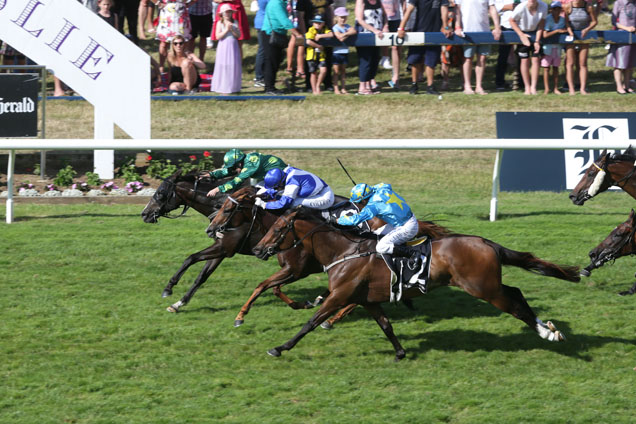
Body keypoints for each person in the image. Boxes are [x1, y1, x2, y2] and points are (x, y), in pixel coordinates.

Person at [337, 183, 420, 264]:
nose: (358, 204)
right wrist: (366, 191)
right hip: (406, 220)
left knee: (381, 247)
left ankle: (412, 254)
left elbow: (355, 220)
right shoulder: (382, 188)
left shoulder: (373, 206)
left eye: (358, 202)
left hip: (407, 227)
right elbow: (386, 184)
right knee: (375, 235)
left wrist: (339, 220)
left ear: (364, 200)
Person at [398, 0, 452, 95]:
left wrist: (446, 27)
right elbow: (409, 10)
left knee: (431, 60)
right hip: (418, 31)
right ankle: (414, 85)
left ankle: (430, 86)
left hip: (434, 32)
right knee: (415, 59)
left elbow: (444, 10)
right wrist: (401, 28)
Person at [455, 0, 502, 95]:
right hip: (467, 31)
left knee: (482, 58)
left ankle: (479, 86)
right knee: (468, 58)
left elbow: (492, 8)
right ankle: (467, 86)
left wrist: (497, 27)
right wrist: (457, 26)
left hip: (484, 31)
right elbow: (457, 10)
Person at [261, 0, 305, 95]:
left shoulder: (281, 3)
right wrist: (298, 34)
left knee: (275, 61)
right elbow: (284, 21)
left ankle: (270, 87)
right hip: (270, 35)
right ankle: (269, 88)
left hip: (277, 34)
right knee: (271, 62)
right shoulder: (276, 3)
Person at [205, 149, 287, 197]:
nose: (233, 169)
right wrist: (211, 175)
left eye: (233, 166)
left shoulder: (250, 164)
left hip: (284, 179)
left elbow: (236, 182)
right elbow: (229, 171)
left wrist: (218, 189)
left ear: (239, 164)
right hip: (271, 179)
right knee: (256, 194)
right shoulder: (244, 161)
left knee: (259, 197)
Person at [254, 166, 335, 211]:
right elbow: (278, 189)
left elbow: (284, 204)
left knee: (293, 203)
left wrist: (264, 205)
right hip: (317, 192)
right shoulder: (286, 171)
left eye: (276, 187)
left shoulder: (292, 184)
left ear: (280, 182)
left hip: (324, 197)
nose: (276, 189)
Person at [509, 0, 547, 95]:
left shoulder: (544, 6)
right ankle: (527, 87)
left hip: (536, 33)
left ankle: (533, 87)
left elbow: (541, 24)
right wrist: (521, 35)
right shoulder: (521, 7)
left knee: (535, 60)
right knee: (524, 60)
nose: (532, 1)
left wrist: (537, 40)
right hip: (523, 33)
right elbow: (512, 20)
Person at [564, 0, 597, 95]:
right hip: (572, 37)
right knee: (570, 63)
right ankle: (571, 89)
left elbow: (594, 21)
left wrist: (587, 29)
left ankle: (582, 88)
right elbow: (566, 22)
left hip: (584, 37)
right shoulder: (568, 6)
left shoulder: (588, 7)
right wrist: (570, 31)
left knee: (583, 63)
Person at [355, 0, 388, 95]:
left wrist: (385, 26)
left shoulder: (378, 1)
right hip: (365, 35)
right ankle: (362, 87)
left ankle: (369, 86)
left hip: (377, 37)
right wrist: (374, 30)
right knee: (366, 61)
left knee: (374, 60)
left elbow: (385, 15)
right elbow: (360, 20)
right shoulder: (361, 1)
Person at [211, 3, 243, 94]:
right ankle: (223, 87)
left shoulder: (235, 22)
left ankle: (233, 87)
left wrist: (232, 29)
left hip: (233, 45)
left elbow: (238, 35)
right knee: (224, 65)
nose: (228, 14)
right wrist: (226, 30)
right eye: (226, 12)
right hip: (224, 46)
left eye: (229, 12)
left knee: (233, 64)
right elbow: (217, 36)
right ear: (222, 14)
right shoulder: (219, 23)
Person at [605, 0, 636, 94]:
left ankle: (627, 86)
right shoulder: (618, 3)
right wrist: (627, 28)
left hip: (633, 36)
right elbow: (614, 22)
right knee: (619, 64)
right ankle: (619, 86)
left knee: (629, 64)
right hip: (621, 36)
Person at [154, 0, 193, 71]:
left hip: (181, 12)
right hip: (167, 12)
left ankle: (182, 66)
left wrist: (189, 3)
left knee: (183, 42)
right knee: (163, 43)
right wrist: (158, 3)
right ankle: (161, 66)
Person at [541, 1, 570, 94]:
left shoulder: (562, 20)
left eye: (558, 9)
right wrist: (557, 31)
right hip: (548, 47)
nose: (556, 11)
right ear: (551, 10)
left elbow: (566, 28)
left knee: (556, 68)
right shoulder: (548, 19)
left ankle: (555, 88)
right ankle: (546, 88)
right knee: (546, 68)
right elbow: (545, 35)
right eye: (554, 9)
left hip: (557, 47)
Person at [305, 14, 334, 95]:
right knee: (313, 72)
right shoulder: (311, 30)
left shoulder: (325, 29)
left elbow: (331, 34)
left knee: (324, 70)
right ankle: (314, 90)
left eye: (319, 23)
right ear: (313, 23)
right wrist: (318, 46)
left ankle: (318, 85)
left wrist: (321, 36)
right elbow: (308, 41)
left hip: (321, 55)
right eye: (316, 22)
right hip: (312, 55)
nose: (317, 24)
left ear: (323, 23)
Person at [332, 7, 357, 94]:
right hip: (336, 53)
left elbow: (353, 31)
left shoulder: (347, 26)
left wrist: (345, 34)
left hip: (345, 52)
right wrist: (347, 34)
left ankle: (343, 88)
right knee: (336, 72)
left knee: (343, 71)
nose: (343, 19)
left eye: (344, 17)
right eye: (341, 17)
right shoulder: (335, 27)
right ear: (337, 17)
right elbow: (340, 38)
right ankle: (336, 89)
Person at [380, 0, 405, 90]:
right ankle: (370, 80)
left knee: (396, 48)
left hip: (396, 19)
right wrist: (385, 23)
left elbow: (403, 3)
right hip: (381, 18)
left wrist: (403, 22)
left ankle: (396, 78)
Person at [493, 0, 515, 90]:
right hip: (506, 26)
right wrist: (511, 6)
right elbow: (495, 7)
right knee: (503, 56)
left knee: (523, 57)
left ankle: (521, 82)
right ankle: (500, 82)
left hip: (523, 26)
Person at [253, 0, 270, 87]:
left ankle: (263, 75)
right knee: (263, 50)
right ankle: (259, 77)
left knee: (264, 50)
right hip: (263, 24)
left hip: (262, 22)